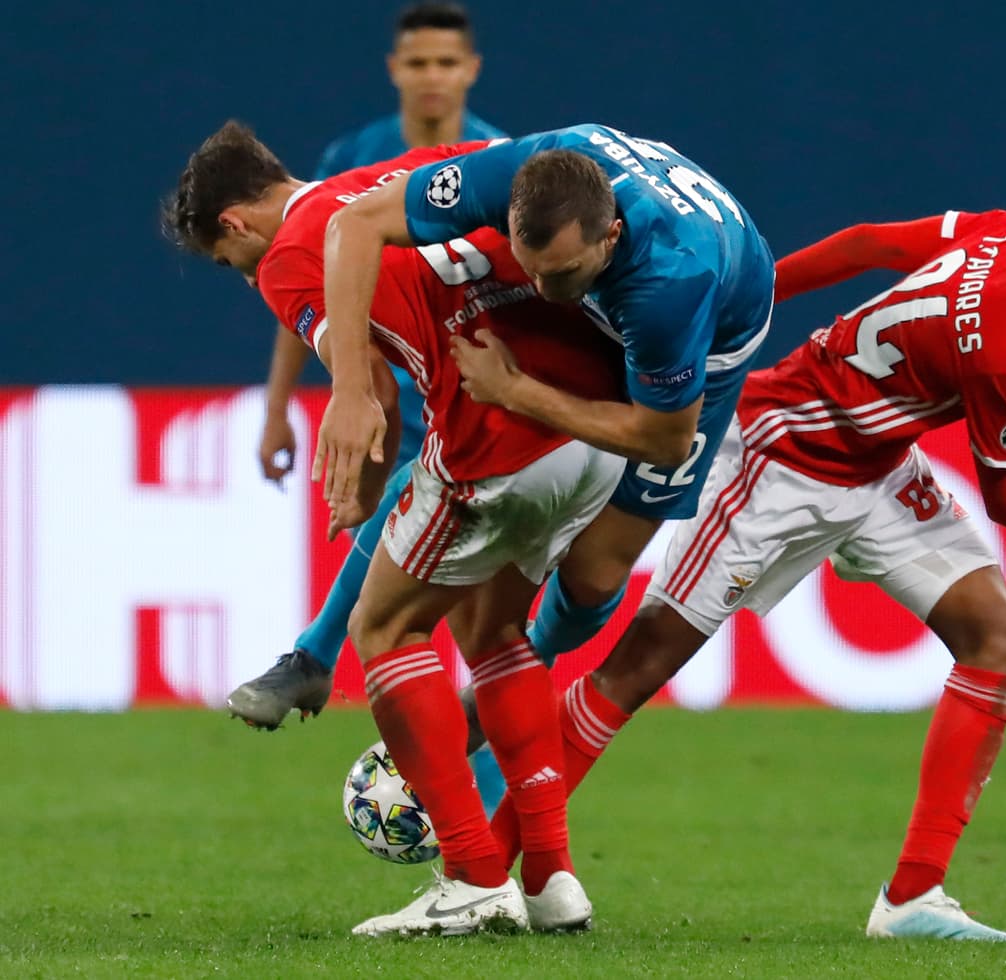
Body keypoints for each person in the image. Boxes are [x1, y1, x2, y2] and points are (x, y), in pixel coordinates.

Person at [481, 164, 1006, 940]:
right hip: (779, 454)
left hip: (877, 463)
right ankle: (486, 869)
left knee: (998, 641)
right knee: (635, 670)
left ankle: (913, 898)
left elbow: (864, 244)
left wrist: (755, 302)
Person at [164, 122, 629, 935]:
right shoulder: (398, 174)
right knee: (494, 637)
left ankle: (474, 874)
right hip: (595, 429)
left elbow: (368, 390)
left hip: (501, 435)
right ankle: (552, 876)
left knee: (382, 630)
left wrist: (363, 490)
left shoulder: (287, 257)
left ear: (234, 223)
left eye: (223, 260)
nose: (239, 276)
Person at [311, 123, 775, 668]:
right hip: (623, 282)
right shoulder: (520, 173)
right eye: (527, 267)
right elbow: (354, 223)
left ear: (610, 236)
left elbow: (665, 441)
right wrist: (350, 389)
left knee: (594, 575)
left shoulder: (669, 288)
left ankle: (511, 691)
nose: (540, 291)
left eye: (560, 274)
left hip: (717, 332)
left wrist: (516, 391)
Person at [228, 1, 507, 811]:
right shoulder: (354, 157)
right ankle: (486, 830)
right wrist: (281, 408)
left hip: (462, 396)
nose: (431, 78)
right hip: (390, 399)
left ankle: (315, 657)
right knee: (444, 620)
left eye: (445, 64)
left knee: (464, 620)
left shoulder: (491, 152)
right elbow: (303, 296)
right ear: (395, 70)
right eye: (417, 63)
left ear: (469, 71)